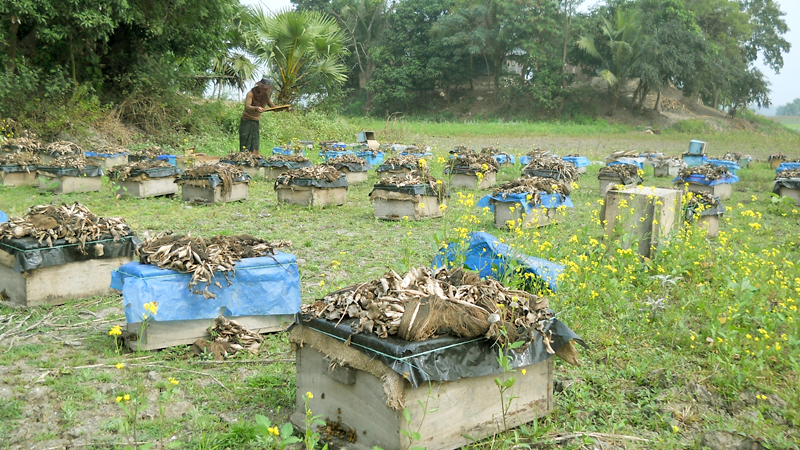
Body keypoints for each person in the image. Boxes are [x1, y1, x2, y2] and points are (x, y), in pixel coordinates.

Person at [239, 77, 276, 153]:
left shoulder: (265, 96)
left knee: (254, 143)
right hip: (246, 121)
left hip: (255, 122)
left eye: (267, 89)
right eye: (264, 88)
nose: (265, 90)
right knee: (245, 142)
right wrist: (256, 108)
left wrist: (284, 108)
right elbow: (247, 106)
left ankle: (254, 157)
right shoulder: (250, 94)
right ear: (260, 86)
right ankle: (243, 157)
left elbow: (273, 107)